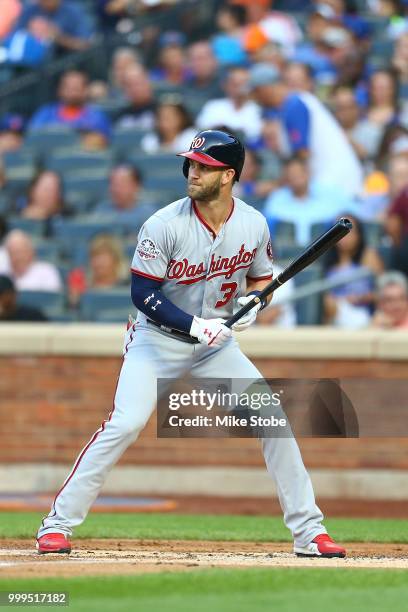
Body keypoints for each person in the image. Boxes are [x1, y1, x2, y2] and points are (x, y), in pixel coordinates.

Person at [36, 128, 346, 559]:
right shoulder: (162, 224)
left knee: (274, 418)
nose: (194, 172)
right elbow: (142, 293)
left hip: (217, 345)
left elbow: (260, 280)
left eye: (206, 167)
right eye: (193, 164)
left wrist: (255, 302)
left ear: (229, 175)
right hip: (156, 340)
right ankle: (57, 524)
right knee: (125, 423)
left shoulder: (253, 223)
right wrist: (196, 325)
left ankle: (309, 532)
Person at [248, 62, 364, 197]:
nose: (254, 98)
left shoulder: (295, 104)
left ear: (265, 89)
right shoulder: (292, 103)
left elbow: (302, 156)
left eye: (255, 93)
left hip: (337, 184)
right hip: (332, 182)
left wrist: (275, 185)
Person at [263, 157, 354, 245]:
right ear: (286, 177)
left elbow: (350, 215)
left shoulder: (327, 194)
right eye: (291, 174)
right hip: (285, 256)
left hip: (322, 253)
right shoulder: (276, 199)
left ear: (307, 173)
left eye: (299, 173)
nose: (295, 177)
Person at [323, 214, 384, 329]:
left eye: (350, 231)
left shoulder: (369, 255)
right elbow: (326, 297)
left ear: (359, 234)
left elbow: (383, 290)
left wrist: (362, 297)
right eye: (339, 231)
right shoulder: (327, 261)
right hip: (337, 314)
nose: (345, 236)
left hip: (365, 312)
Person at [28, 70, 111, 149]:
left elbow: (104, 142)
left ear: (86, 90)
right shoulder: (46, 113)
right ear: (60, 90)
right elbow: (33, 138)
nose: (72, 93)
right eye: (68, 88)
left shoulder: (96, 116)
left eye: (76, 88)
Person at [196, 66, 262, 141]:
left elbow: (256, 136)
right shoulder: (213, 106)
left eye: (243, 84)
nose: (240, 88)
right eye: (235, 84)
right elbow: (202, 130)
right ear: (226, 85)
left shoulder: (258, 109)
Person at [67, 234, 128, 308]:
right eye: (94, 256)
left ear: (116, 259)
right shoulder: (79, 278)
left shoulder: (130, 281)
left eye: (103, 256)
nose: (98, 262)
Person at [93, 164, 155, 233]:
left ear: (136, 186)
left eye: (121, 184)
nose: (115, 189)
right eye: (113, 183)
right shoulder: (101, 211)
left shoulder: (148, 215)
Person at [13, 0, 92, 53]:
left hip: (69, 60)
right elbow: (15, 39)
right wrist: (30, 33)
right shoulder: (30, 12)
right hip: (36, 64)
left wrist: (58, 37)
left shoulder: (72, 11)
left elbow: (85, 45)